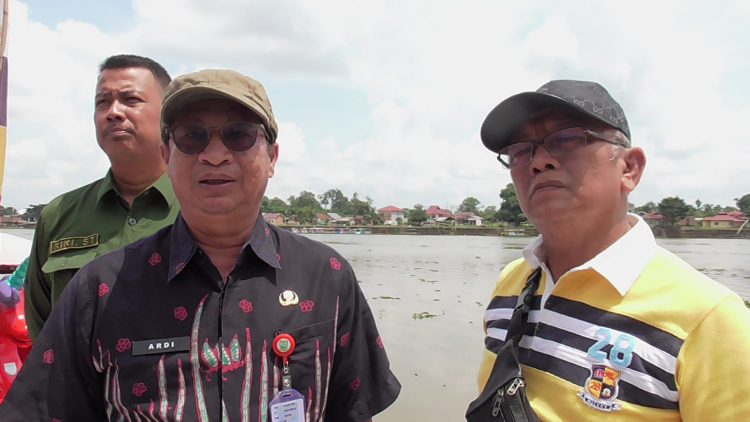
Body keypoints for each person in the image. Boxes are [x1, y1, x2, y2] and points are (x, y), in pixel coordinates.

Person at [0, 69, 400, 421]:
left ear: (273, 157)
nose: (214, 155)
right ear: (166, 155)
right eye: (192, 137)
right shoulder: (99, 288)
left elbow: (353, 410)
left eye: (238, 135)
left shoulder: (327, 276)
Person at [475, 80, 750, 420]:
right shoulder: (511, 283)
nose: (538, 162)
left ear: (630, 168)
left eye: (567, 139)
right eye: (520, 150)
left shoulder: (710, 319)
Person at [24, 54, 179, 340]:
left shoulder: (203, 210)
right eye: (102, 102)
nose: (113, 112)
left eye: (130, 99)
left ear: (167, 114)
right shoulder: (59, 215)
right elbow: (41, 325)